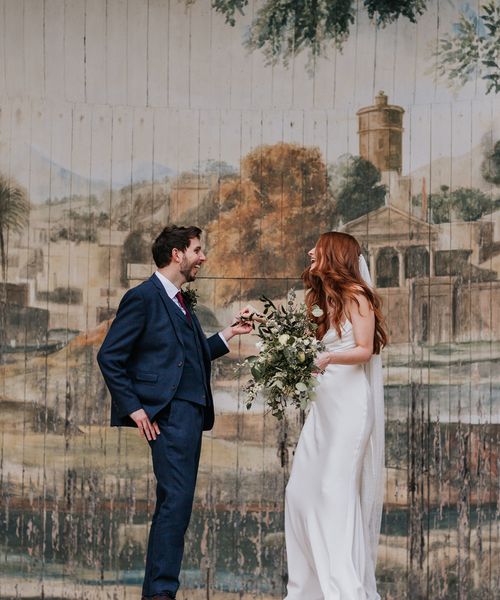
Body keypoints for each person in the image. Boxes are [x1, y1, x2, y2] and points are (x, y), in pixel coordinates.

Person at [97, 225, 252, 600]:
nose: (203, 257)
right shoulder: (144, 297)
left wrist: (229, 334)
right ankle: (161, 593)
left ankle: (158, 592)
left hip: (189, 416)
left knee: (176, 504)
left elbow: (186, 357)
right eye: (198, 250)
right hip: (168, 417)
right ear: (177, 254)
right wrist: (135, 408)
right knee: (175, 504)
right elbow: (109, 356)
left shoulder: (180, 300)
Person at [284, 231, 387, 600]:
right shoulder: (324, 300)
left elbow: (364, 349)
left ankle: (343, 589)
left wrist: (327, 357)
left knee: (334, 494)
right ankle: (306, 589)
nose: (310, 251)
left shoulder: (357, 296)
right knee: (300, 492)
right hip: (323, 409)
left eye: (318, 247)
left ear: (334, 254)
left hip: (349, 408)